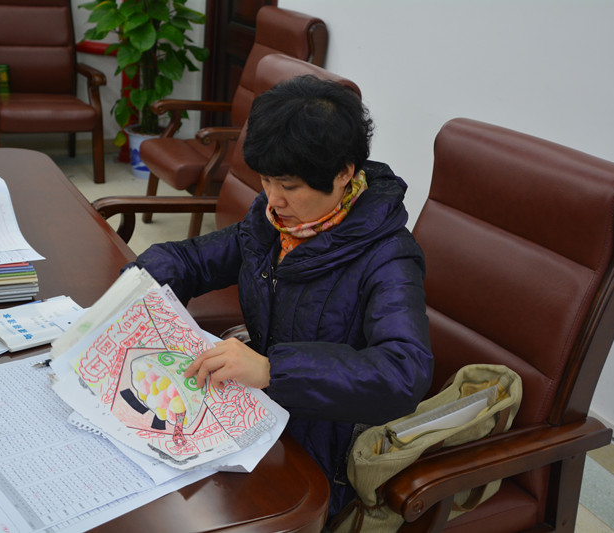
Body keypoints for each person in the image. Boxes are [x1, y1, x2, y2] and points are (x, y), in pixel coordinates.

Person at [127, 75, 433, 518]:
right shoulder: (273, 224)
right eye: (266, 180)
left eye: (289, 187)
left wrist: (274, 369)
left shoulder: (389, 256)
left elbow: (404, 372)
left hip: (323, 451)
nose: (274, 198)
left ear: (343, 173)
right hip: (258, 413)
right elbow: (193, 260)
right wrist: (131, 290)